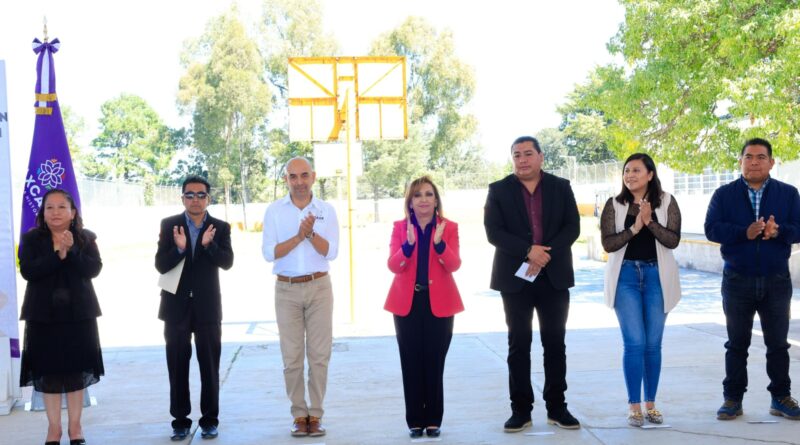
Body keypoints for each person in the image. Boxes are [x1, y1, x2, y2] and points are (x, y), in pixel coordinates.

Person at [484, 136, 581, 432]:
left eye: (528, 154)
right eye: (517, 155)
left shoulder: (561, 187)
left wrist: (543, 254)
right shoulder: (498, 190)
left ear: (541, 157)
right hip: (515, 280)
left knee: (555, 343)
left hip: (554, 277)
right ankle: (521, 411)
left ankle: (557, 408)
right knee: (518, 344)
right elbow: (493, 232)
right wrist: (529, 251)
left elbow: (572, 227)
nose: (522, 160)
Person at [704, 138, 800, 421]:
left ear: (771, 162)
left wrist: (778, 232)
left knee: (778, 344)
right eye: (748, 157)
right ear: (740, 161)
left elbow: (799, 229)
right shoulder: (724, 194)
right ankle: (732, 399)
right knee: (737, 343)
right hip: (737, 279)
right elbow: (711, 229)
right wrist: (743, 233)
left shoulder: (788, 194)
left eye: (760, 157)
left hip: (776, 279)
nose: (754, 162)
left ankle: (781, 398)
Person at [600, 153, 682, 427]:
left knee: (653, 344)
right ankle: (634, 406)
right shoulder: (614, 204)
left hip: (657, 275)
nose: (630, 175)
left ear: (650, 174)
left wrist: (650, 222)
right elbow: (609, 244)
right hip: (625, 277)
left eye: (636, 170)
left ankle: (651, 405)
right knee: (634, 342)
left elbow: (673, 240)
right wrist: (636, 227)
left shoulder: (667, 201)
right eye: (626, 171)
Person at [19, 188, 104, 445]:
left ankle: (75, 428)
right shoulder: (31, 239)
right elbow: (29, 271)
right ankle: (53, 429)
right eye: (49, 207)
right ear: (43, 213)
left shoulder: (86, 238)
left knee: (75, 372)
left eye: (61, 207)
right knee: (50, 373)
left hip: (78, 316)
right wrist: (59, 255)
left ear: (73, 212)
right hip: (43, 317)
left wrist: (73, 251)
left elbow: (93, 269)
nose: (55, 212)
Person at [262, 157, 339, 437]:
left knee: (319, 356)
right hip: (286, 289)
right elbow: (269, 253)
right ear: (286, 179)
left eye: (304, 175)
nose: (299, 182)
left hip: (319, 288)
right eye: (293, 176)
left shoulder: (326, 210)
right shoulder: (274, 211)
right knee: (292, 358)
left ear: (313, 177)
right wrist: (298, 236)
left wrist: (310, 233)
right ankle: (298, 415)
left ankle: (315, 415)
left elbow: (331, 252)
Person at [155, 175, 234, 441]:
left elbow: (227, 262)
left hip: (207, 307)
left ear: (208, 198)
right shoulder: (170, 225)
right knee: (177, 365)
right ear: (182, 198)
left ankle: (210, 420)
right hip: (175, 307)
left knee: (209, 366)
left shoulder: (220, 227)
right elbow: (160, 265)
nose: (195, 199)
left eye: (201, 195)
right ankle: (180, 421)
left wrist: (208, 245)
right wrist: (179, 249)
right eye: (190, 194)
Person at [385, 176, 464, 438]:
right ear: (410, 202)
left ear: (436, 200)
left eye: (429, 194)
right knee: (411, 362)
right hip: (407, 304)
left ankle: (433, 420)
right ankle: (415, 422)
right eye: (417, 195)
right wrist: (408, 245)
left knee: (434, 361)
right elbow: (394, 265)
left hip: (439, 304)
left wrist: (440, 244)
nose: (423, 200)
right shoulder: (400, 227)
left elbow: (453, 265)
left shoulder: (449, 228)